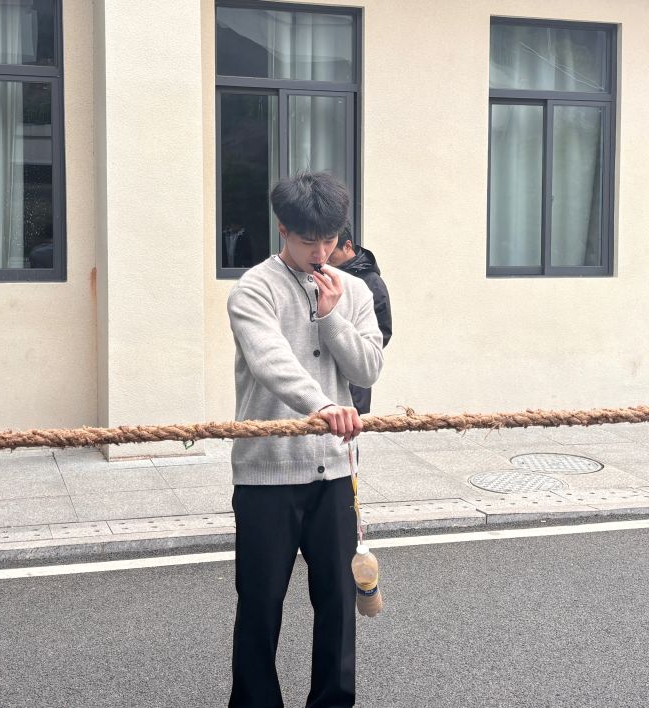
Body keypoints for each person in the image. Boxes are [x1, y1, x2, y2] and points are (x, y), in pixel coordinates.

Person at [227, 172, 384, 708]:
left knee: (338, 602)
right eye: (307, 240)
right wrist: (321, 405)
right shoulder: (254, 288)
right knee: (260, 603)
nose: (320, 253)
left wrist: (332, 316)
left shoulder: (354, 290)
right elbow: (269, 360)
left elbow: (368, 367)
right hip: (266, 471)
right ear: (282, 230)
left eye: (329, 240)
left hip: (336, 471)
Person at [327, 224, 392, 415]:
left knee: (347, 427)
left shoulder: (371, 281)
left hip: (353, 376)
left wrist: (349, 346)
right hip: (326, 372)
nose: (326, 259)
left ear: (347, 246)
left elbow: (382, 331)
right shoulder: (326, 275)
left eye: (331, 254)